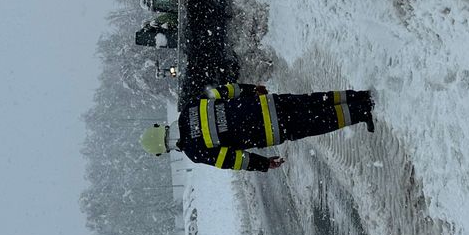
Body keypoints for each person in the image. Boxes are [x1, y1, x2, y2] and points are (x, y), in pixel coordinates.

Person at [140, 82, 375, 172]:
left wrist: (263, 163)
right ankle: (357, 95)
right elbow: (223, 91)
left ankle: (362, 111)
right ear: (162, 128)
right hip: (267, 103)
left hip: (271, 128)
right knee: (313, 100)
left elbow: (233, 159)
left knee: (319, 121)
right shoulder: (190, 108)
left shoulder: (194, 150)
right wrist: (252, 89)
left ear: (166, 148)